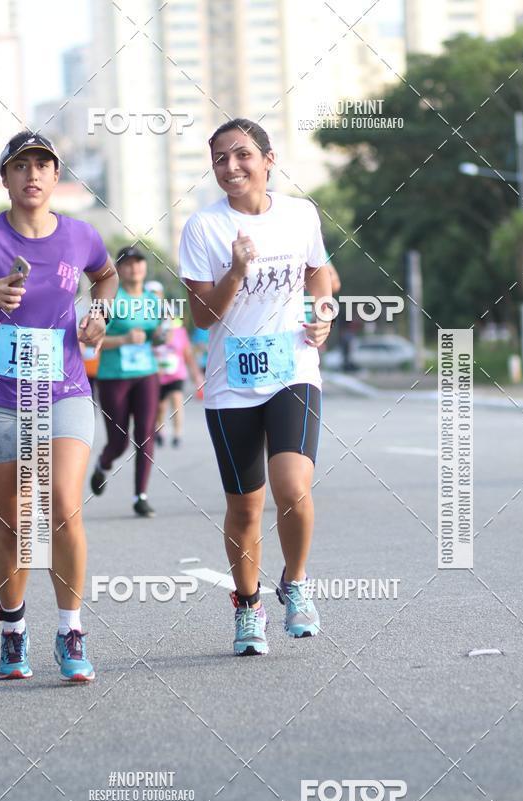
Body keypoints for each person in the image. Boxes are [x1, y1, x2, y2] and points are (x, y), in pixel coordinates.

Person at [0, 130, 118, 681]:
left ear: (55, 177)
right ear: (6, 178)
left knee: (63, 504)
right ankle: (13, 628)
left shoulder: (80, 236)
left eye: (44, 165)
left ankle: (71, 630)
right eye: (22, 166)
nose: (34, 175)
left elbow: (106, 274)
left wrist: (99, 314)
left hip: (63, 390)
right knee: (16, 519)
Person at [179, 117, 332, 656]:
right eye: (220, 158)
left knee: (292, 488)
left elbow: (319, 272)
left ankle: (295, 581)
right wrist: (237, 271)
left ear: (269, 160)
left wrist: (324, 311)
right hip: (230, 385)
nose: (231, 166)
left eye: (242, 155)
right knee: (245, 508)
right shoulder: (203, 228)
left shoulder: (300, 214)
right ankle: (248, 607)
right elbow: (200, 315)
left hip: (293, 369)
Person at [90, 246, 160, 517]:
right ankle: (103, 464)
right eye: (128, 264)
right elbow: (91, 339)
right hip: (113, 376)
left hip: (146, 374)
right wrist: (123, 340)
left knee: (145, 435)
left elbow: (155, 334)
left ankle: (140, 496)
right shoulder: (107, 299)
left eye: (139, 263)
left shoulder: (153, 300)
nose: (135, 268)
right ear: (119, 269)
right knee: (118, 441)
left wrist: (159, 338)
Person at [154, 313, 204, 447]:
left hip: (177, 374)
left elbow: (187, 354)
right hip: (159, 374)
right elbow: (150, 349)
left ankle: (177, 434)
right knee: (161, 405)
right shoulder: (155, 330)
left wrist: (196, 375)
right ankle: (160, 430)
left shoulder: (180, 332)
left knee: (177, 401)